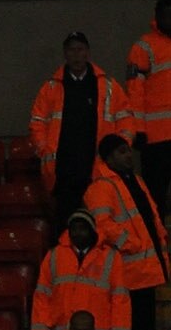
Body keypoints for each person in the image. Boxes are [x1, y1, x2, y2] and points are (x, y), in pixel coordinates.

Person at [84, 131, 166, 330]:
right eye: (122, 151)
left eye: (128, 150)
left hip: (144, 265)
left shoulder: (135, 180)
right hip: (127, 267)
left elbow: (150, 217)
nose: (128, 155)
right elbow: (102, 224)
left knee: (145, 321)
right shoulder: (102, 186)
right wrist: (130, 243)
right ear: (108, 158)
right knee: (133, 322)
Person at [30, 31, 132, 220]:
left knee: (101, 219)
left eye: (80, 49)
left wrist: (119, 150)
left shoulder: (108, 86)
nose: (76, 55)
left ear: (88, 53)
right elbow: (37, 122)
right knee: (64, 223)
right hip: (64, 170)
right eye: (71, 50)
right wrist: (44, 149)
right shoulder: (51, 88)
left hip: (98, 167)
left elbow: (125, 118)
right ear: (65, 54)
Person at [29, 211, 130, 330]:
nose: (77, 233)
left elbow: (120, 302)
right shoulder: (54, 257)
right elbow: (42, 300)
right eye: (74, 229)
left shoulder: (111, 258)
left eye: (82, 228)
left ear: (92, 230)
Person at [126, 0, 171, 218]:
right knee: (155, 199)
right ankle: (159, 248)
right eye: (167, 15)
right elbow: (135, 92)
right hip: (155, 140)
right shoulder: (143, 47)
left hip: (158, 139)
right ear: (158, 17)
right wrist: (139, 131)